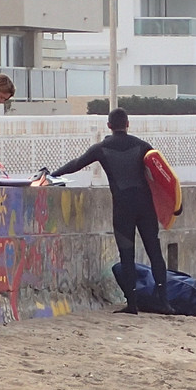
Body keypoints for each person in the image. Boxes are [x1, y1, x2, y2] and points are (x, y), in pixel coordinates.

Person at [52, 108, 171, 315]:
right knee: (155, 252)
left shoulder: (101, 148)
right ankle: (164, 302)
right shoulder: (143, 146)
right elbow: (161, 177)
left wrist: (53, 174)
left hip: (122, 208)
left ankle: (132, 304)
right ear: (128, 124)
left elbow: (76, 164)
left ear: (109, 126)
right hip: (145, 207)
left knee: (127, 255)